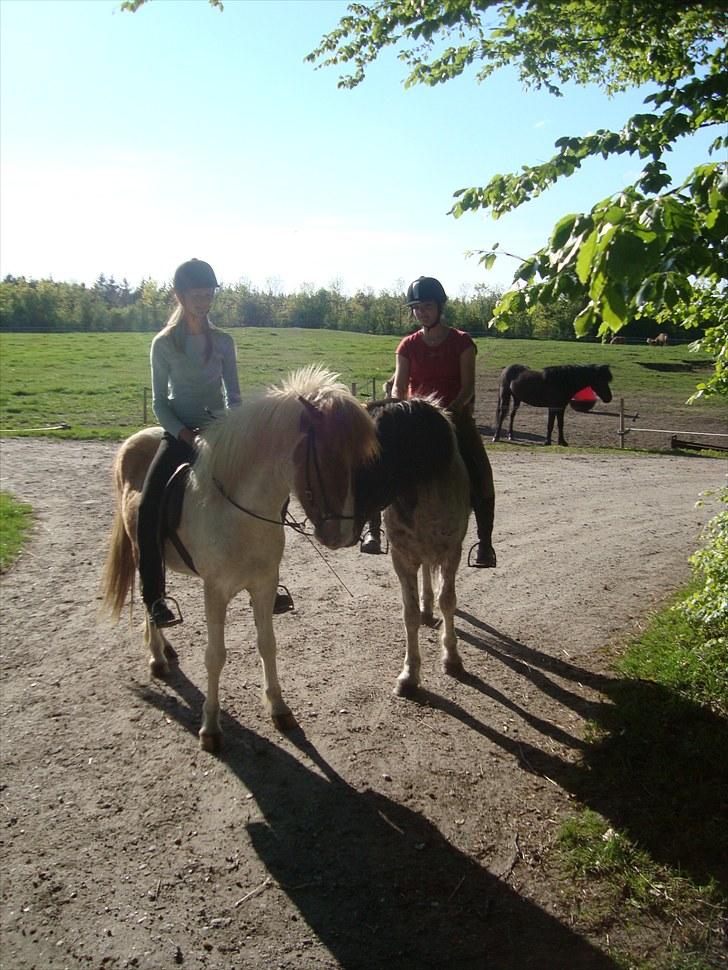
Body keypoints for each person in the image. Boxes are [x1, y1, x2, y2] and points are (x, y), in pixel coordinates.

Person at [137, 258, 292, 628]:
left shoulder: (223, 342)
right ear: (179, 296)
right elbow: (160, 402)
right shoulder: (163, 344)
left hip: (221, 432)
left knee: (268, 491)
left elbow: (234, 396)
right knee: (148, 505)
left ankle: (268, 577)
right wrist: (185, 434)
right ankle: (155, 597)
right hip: (179, 434)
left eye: (209, 294)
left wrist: (237, 431)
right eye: (197, 295)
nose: (204, 301)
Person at [360, 275, 497, 567]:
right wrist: (403, 413)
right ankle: (373, 532)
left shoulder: (462, 342)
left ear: (439, 307)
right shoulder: (407, 345)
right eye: (416, 307)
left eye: (427, 306)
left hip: (455, 418)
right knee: (376, 461)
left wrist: (449, 413)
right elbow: (399, 388)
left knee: (481, 472)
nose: (421, 311)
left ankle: (485, 543)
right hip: (416, 421)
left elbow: (468, 387)